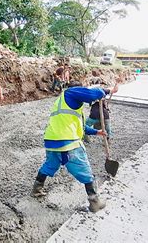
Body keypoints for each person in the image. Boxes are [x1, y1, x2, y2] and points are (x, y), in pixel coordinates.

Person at [30, 81, 118, 213]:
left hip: (51, 140)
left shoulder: (63, 103)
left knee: (49, 165)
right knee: (85, 171)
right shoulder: (70, 92)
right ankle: (95, 202)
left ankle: (36, 189)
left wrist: (96, 132)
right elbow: (93, 93)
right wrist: (109, 90)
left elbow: (81, 127)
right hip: (68, 142)